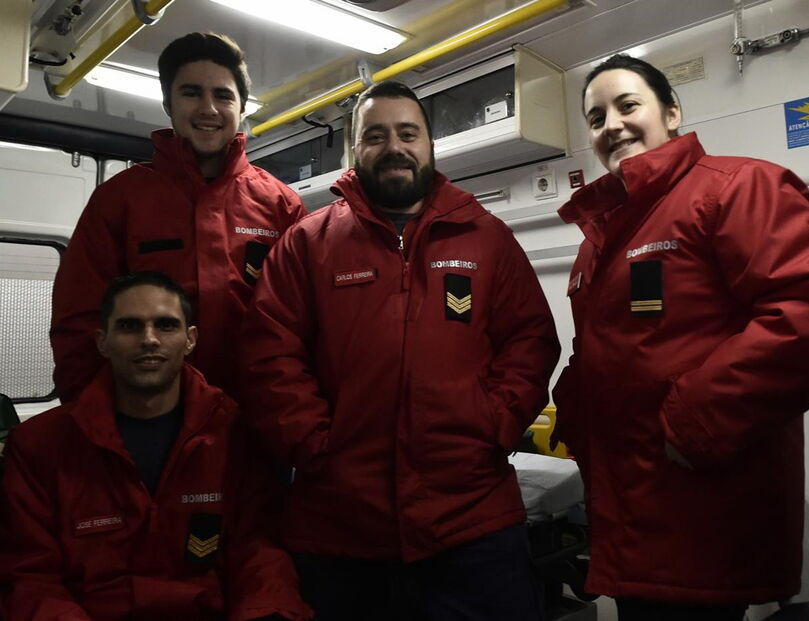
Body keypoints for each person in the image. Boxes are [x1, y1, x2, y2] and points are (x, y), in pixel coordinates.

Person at [551, 54, 809, 621]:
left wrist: (697, 419)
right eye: (596, 118)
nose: (612, 126)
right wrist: (572, 406)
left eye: (628, 106)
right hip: (629, 506)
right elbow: (610, 347)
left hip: (699, 503)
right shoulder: (601, 236)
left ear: (672, 113)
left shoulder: (736, 187)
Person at [239, 81, 560, 620]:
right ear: (353, 150)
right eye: (376, 135)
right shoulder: (307, 244)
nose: (395, 146)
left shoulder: (487, 238)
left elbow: (530, 341)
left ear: (430, 145)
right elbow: (270, 355)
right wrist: (317, 446)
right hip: (341, 527)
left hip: (472, 520)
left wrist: (494, 423)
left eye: (409, 133)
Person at [0, 272, 310, 621]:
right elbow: (29, 577)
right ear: (103, 342)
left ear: (190, 339)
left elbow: (259, 551)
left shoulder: (237, 434)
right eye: (130, 326)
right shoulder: (40, 445)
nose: (149, 340)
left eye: (165, 325)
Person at [50, 32, 305, 403]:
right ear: (168, 104)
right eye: (191, 93)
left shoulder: (281, 205)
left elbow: (303, 325)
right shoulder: (119, 200)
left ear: (243, 107)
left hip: (255, 425)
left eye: (223, 95)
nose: (208, 108)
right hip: (146, 422)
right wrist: (97, 420)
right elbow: (80, 323)